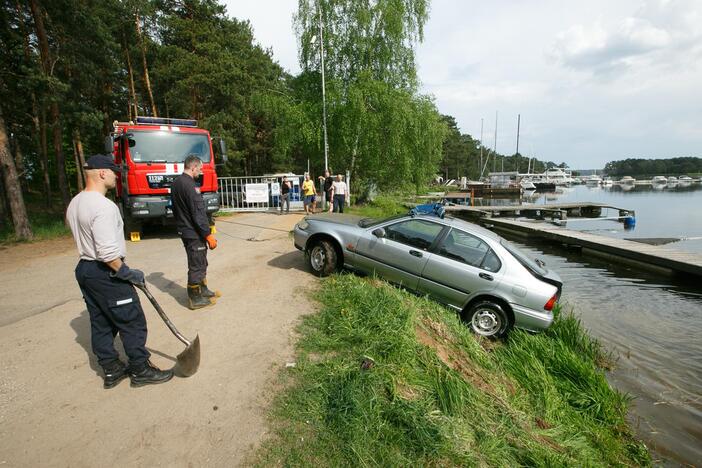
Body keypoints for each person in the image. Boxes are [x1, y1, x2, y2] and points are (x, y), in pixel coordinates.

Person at [66, 154, 173, 388]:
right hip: (106, 271)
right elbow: (106, 253)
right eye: (114, 172)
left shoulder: (76, 202)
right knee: (131, 319)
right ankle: (140, 369)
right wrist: (126, 273)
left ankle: (112, 368)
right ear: (102, 173)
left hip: (85, 269)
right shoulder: (104, 207)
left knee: (101, 321)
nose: (116, 176)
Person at [171, 155, 219, 310]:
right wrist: (208, 234)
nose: (201, 171)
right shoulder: (190, 186)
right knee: (197, 264)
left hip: (185, 230)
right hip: (193, 232)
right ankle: (194, 298)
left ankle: (203, 290)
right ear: (192, 167)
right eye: (200, 168)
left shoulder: (177, 183)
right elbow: (198, 213)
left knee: (201, 261)